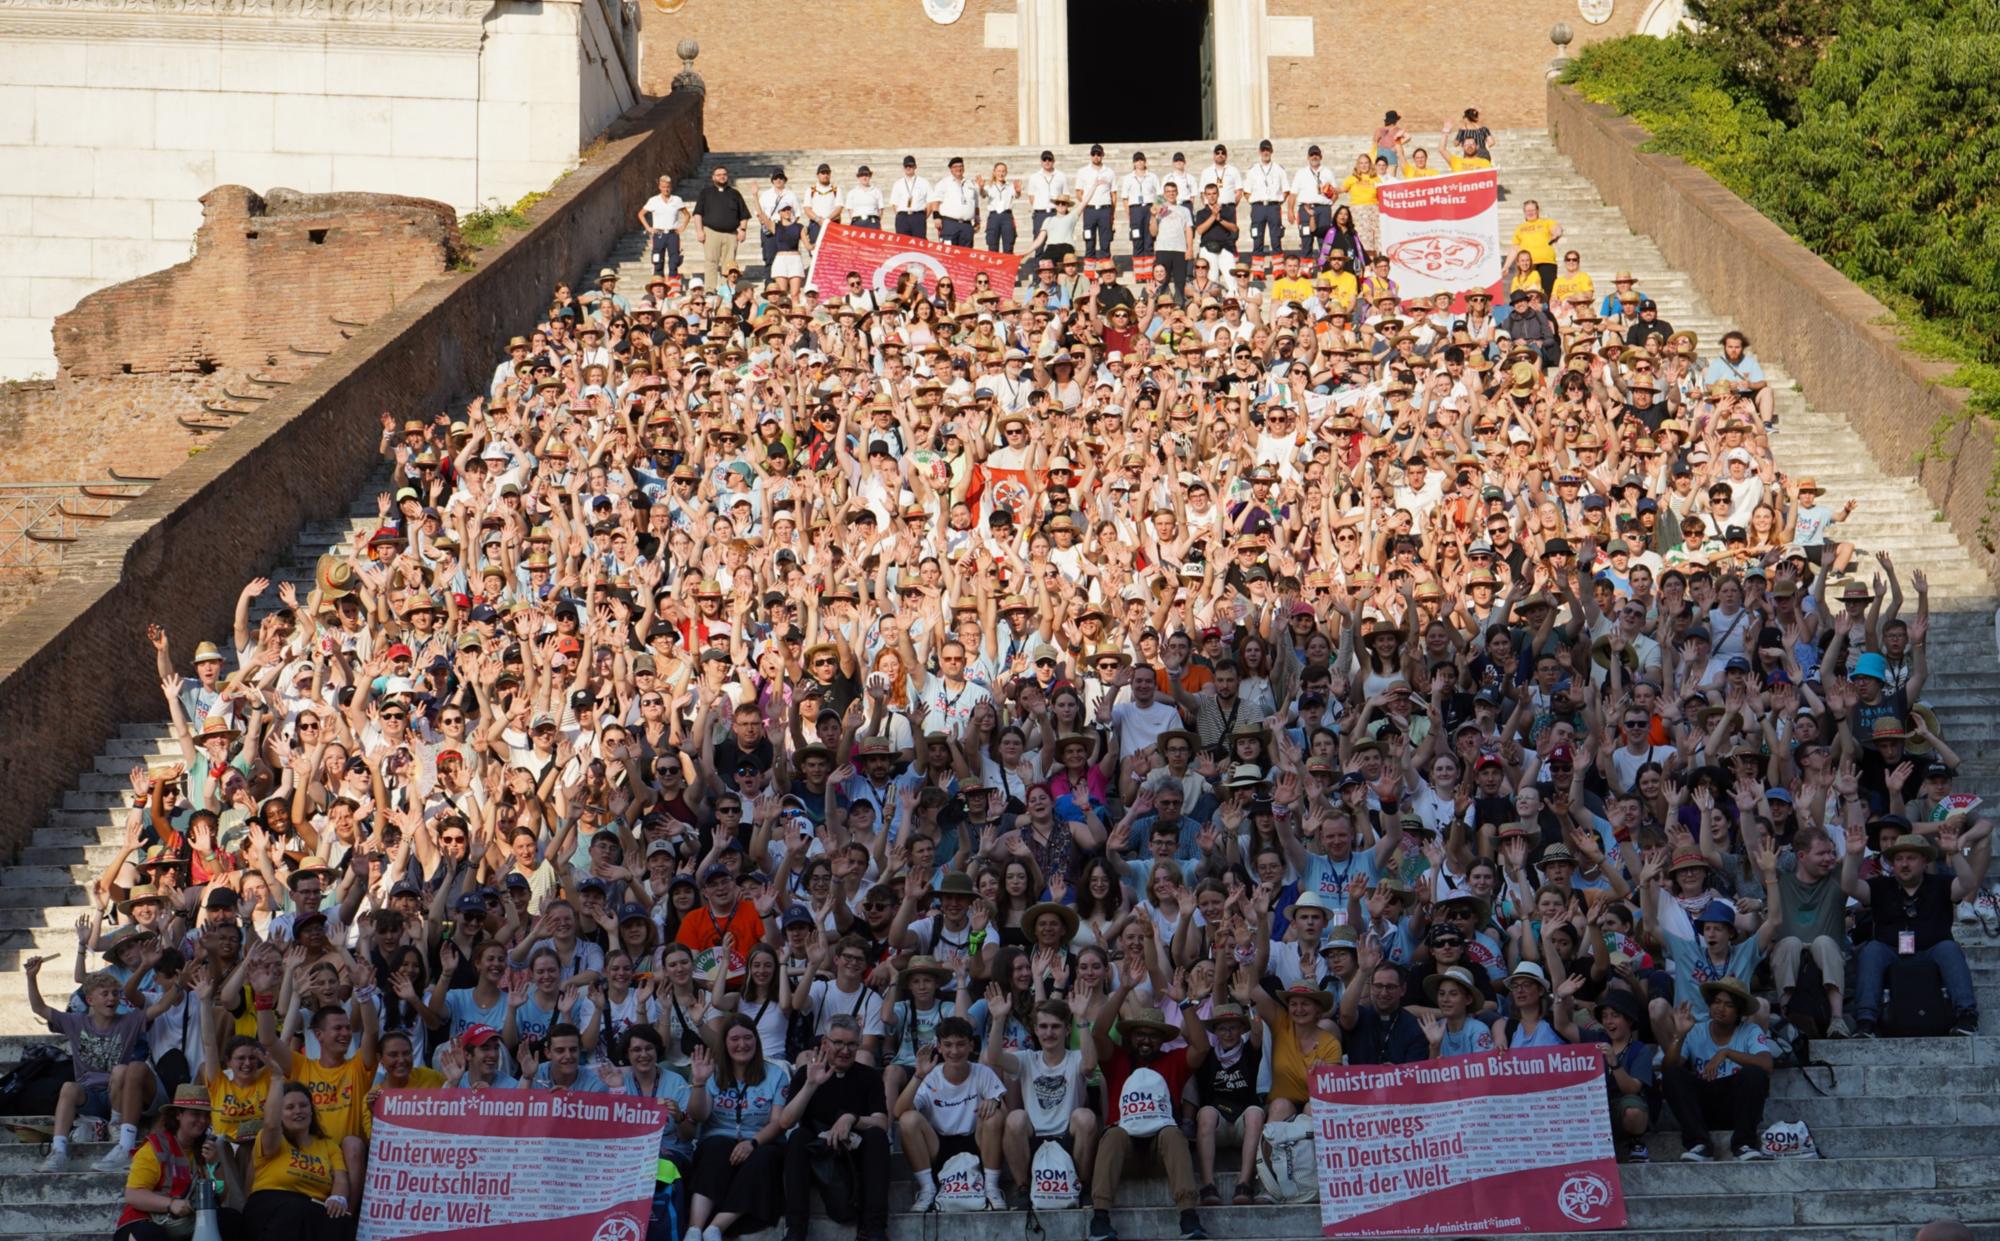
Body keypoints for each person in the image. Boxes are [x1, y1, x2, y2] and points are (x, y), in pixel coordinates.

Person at [1087, 969, 1207, 1241]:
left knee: (1174, 1132)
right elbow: (1098, 1033)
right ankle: (1100, 1218)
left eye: (1153, 1035)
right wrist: (1123, 990)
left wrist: (1184, 1003)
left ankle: (1189, 1217)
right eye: (1140, 1034)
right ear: (1130, 1037)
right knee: (1113, 1133)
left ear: (1162, 1040)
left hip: (1159, 1152)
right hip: (1125, 1151)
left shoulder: (1173, 1062)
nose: (1145, 1040)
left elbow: (1201, 1048)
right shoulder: (1116, 1061)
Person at [1841, 823, 1989, 1037]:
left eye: (1911, 858)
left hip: (1932, 950)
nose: (1904, 864)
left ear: (1924, 861)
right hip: (1890, 951)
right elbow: (1849, 886)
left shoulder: (1940, 884)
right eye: (1899, 859)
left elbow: (1968, 884)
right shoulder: (1881, 886)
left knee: (1949, 948)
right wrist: (1853, 855)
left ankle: (1967, 1017)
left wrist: (1954, 853)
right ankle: (1866, 1021)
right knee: (1872, 951)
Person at [983, 988, 1098, 1208]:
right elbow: (994, 1057)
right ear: (1035, 1030)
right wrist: (998, 1020)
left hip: (1069, 1139)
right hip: (1033, 1140)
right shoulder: (1027, 1059)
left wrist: (1081, 1019)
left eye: (1055, 1027)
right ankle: (1023, 1188)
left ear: (1066, 1030)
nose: (1049, 1033)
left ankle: (1082, 1186)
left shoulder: (1076, 1059)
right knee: (1015, 1118)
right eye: (1043, 1027)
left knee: (1085, 1117)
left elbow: (1091, 1064)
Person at [779, 1019, 891, 1241]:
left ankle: (873, 1229)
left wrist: (851, 1118)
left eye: (851, 1044)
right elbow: (785, 1122)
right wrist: (811, 1085)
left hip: (855, 1150)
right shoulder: (806, 1073)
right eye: (838, 1042)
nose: (845, 1050)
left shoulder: (869, 1076)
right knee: (797, 1137)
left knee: (877, 1138)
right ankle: (796, 1230)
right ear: (824, 1043)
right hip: (818, 1152)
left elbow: (882, 1122)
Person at [685, 1014, 792, 1241]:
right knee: (715, 1148)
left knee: (763, 1158)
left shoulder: (776, 1075)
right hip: (718, 1136)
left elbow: (779, 1123)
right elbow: (699, 1115)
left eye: (747, 1038)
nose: (741, 1044)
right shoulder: (713, 1072)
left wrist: (752, 1143)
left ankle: (715, 1228)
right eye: (734, 1039)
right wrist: (699, 1082)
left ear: (757, 1041)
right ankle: (694, 1230)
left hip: (760, 1139)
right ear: (724, 1043)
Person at [1659, 978, 1775, 1162]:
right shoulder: (1696, 1030)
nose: (1721, 1008)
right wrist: (1679, 1036)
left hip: (1736, 1106)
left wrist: (1726, 1052)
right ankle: (1699, 1145)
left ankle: (1744, 1144)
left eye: (1729, 1005)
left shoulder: (1750, 1031)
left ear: (1739, 1011)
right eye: (1717, 1002)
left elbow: (1767, 1064)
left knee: (1754, 1073)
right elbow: (1667, 1068)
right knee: (1673, 1075)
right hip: (1703, 1106)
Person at [115, 1083, 245, 1241]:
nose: (203, 1121)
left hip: (185, 1223)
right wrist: (171, 1204)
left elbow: (220, 1196)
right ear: (178, 1114)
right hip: (146, 1221)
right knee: (151, 1235)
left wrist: (214, 1165)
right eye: (196, 1114)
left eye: (206, 1116)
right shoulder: (155, 1147)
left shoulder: (206, 1147)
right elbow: (133, 1195)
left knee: (230, 1219)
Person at [246, 1065, 351, 1239]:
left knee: (340, 1221)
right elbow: (271, 1125)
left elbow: (341, 1179)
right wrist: (277, 1079)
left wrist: (338, 1198)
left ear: (311, 1110)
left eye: (303, 1105)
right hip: (271, 1207)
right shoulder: (272, 1139)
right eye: (289, 1107)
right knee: (296, 1210)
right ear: (279, 1114)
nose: (298, 1111)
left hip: (311, 1210)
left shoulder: (328, 1145)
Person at [690, 164, 751, 287]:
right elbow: (698, 214)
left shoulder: (735, 194)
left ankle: (726, 289)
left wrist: (743, 230)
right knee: (711, 262)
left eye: (724, 174)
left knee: (729, 264)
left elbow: (744, 215)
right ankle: (710, 289)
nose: (722, 177)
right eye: (718, 175)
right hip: (711, 232)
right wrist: (699, 231)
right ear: (713, 177)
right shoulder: (705, 193)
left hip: (731, 234)